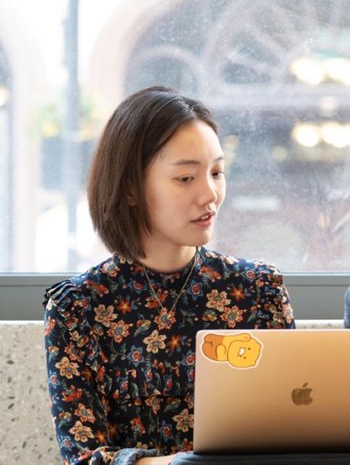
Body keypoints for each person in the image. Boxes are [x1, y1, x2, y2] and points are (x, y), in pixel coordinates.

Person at [44, 86, 295, 465]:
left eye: (216, 172)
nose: (209, 195)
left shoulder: (259, 292)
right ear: (130, 188)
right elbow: (84, 458)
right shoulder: (77, 309)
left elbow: (294, 425)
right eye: (185, 179)